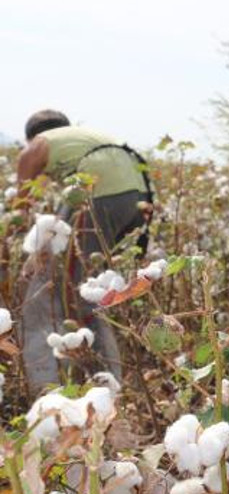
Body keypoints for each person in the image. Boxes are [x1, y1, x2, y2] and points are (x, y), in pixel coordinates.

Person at [13, 109, 153, 396]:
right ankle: (94, 372)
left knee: (78, 292)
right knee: (92, 282)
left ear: (33, 136)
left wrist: (16, 232)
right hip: (137, 196)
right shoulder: (80, 140)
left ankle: (100, 383)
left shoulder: (39, 143)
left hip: (100, 194)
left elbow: (23, 195)